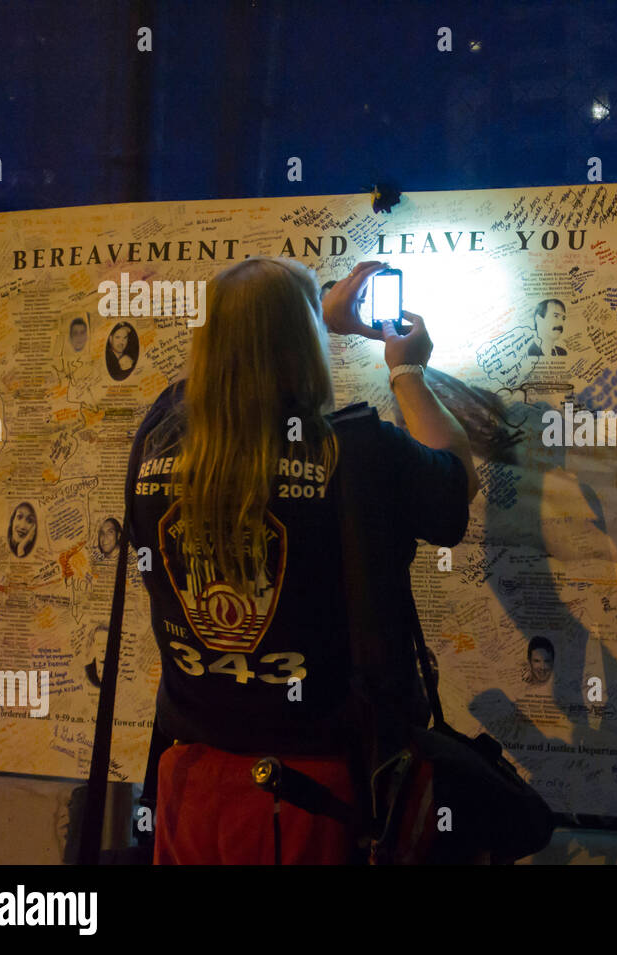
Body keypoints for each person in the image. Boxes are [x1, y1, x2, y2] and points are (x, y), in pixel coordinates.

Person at [124, 257, 479, 865]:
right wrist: (409, 374)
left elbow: (208, 384)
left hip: (186, 777)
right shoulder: (355, 450)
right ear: (305, 343)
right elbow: (454, 487)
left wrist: (289, 316)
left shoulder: (156, 438)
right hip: (308, 789)